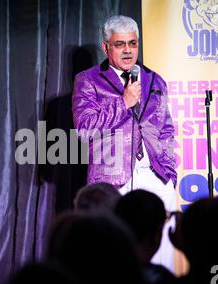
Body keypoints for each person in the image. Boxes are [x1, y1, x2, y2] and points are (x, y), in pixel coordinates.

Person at [72, 15, 177, 269]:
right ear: (106, 47)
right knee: (112, 252)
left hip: (156, 175)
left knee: (160, 249)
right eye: (120, 44)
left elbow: (166, 127)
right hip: (112, 177)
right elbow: (84, 129)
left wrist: (170, 169)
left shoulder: (154, 79)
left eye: (132, 43)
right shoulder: (88, 80)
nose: (128, 50)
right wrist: (123, 103)